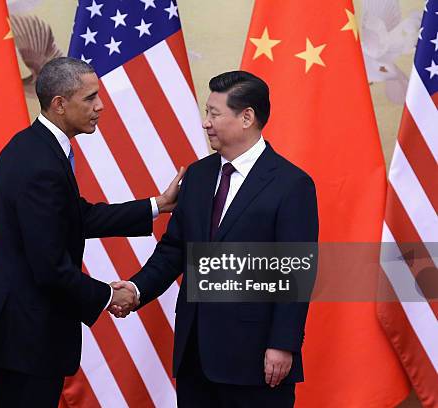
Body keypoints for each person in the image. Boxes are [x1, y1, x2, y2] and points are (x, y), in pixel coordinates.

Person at [0, 57, 182, 408]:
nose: (100, 106)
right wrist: (109, 296)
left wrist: (156, 205)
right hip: (26, 335)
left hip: (23, 331)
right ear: (60, 104)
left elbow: (77, 216)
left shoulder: (35, 146)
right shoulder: (40, 163)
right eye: (90, 98)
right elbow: (49, 267)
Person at [110, 71, 319, 407]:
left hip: (256, 358)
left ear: (247, 117)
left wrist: (283, 344)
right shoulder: (198, 175)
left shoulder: (291, 184)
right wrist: (135, 290)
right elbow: (174, 250)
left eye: (214, 113)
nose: (206, 122)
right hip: (196, 356)